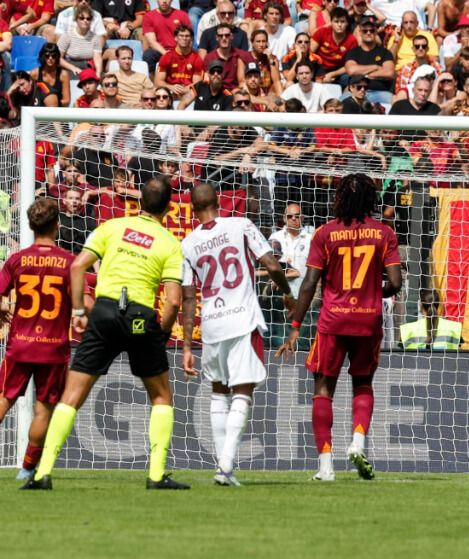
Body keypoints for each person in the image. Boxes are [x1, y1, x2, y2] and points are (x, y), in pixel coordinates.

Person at [23, 179, 188, 490]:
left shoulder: (112, 227)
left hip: (103, 311)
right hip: (139, 317)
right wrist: (160, 335)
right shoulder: (169, 242)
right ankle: (155, 475)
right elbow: (174, 300)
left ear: (139, 201)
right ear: (169, 207)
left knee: (71, 396)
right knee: (161, 396)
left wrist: (78, 312)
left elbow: (77, 267)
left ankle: (43, 472)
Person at [277, 174, 402, 481]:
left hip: (333, 321)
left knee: (323, 389)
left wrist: (296, 325)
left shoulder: (325, 233)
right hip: (368, 320)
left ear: (340, 198)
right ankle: (358, 442)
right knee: (363, 383)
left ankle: (325, 466)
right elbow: (396, 283)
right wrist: (374, 292)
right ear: (371, 200)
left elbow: (308, 283)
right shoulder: (384, 233)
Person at [179, 184, 294, 486]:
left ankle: (222, 466)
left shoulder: (188, 244)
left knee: (218, 393)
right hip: (242, 319)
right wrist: (286, 293)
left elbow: (189, 297)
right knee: (243, 393)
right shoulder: (241, 225)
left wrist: (188, 345)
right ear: (219, 202)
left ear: (192, 209)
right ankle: (226, 465)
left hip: (213, 324)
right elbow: (271, 264)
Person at [0, 199, 75, 481]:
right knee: (42, 410)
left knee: (4, 399)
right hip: (53, 349)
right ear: (57, 225)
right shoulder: (69, 262)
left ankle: (28, 469)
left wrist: (6, 308)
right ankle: (28, 468)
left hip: (20, 344)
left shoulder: (17, 259)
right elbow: (83, 300)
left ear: (30, 226)